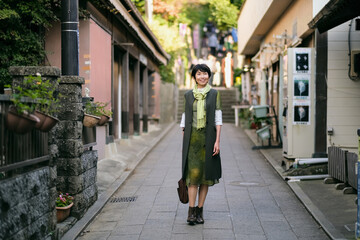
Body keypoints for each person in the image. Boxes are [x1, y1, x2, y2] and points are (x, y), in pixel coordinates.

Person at [180, 64, 223, 225]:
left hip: (208, 138)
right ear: (194, 76)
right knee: (192, 178)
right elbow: (185, 118)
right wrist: (184, 142)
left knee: (206, 177)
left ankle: (200, 210)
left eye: (205, 74)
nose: (202, 76)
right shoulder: (188, 95)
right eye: (199, 74)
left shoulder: (214, 94)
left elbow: (218, 119)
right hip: (192, 140)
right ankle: (191, 211)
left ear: (209, 76)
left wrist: (217, 140)